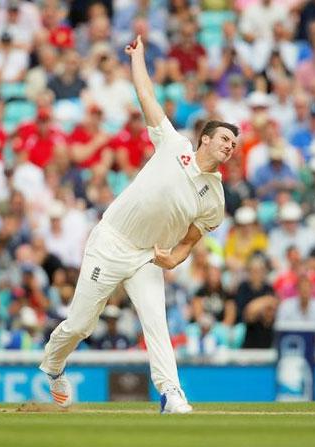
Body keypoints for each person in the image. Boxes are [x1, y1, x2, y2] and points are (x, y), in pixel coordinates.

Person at [39, 35, 239, 414]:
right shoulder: (174, 144)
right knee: (81, 325)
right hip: (111, 241)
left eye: (234, 144)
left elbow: (192, 239)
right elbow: (147, 96)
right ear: (206, 139)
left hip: (148, 256)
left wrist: (174, 259)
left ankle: (172, 394)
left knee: (156, 323)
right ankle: (53, 364)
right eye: (225, 139)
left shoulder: (216, 198)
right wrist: (138, 58)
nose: (230, 146)